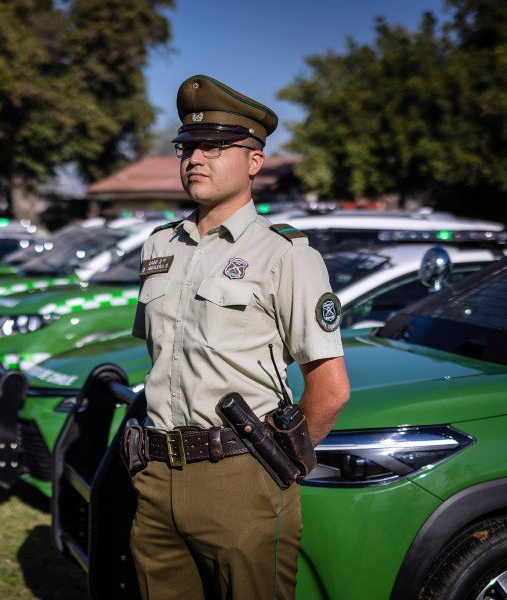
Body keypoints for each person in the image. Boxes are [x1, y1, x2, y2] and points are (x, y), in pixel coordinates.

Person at [129, 74, 350, 599]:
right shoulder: (160, 246)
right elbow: (161, 359)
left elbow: (331, 387)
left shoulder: (287, 254)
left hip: (240, 476)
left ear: (254, 161)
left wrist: (275, 468)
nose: (195, 159)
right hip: (156, 476)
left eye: (214, 147)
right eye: (187, 147)